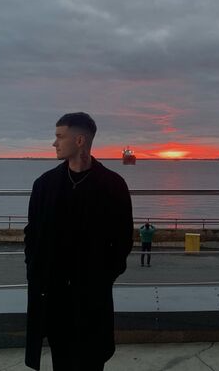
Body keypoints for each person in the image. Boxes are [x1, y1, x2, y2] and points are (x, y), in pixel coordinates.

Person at [24, 112, 134, 371]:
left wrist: (104, 276)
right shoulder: (44, 185)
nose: (54, 143)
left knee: (93, 358)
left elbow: (123, 239)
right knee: (60, 358)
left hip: (92, 294)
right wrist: (35, 269)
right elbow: (32, 233)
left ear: (80, 140)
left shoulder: (113, 185)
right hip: (54, 294)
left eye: (60, 136)